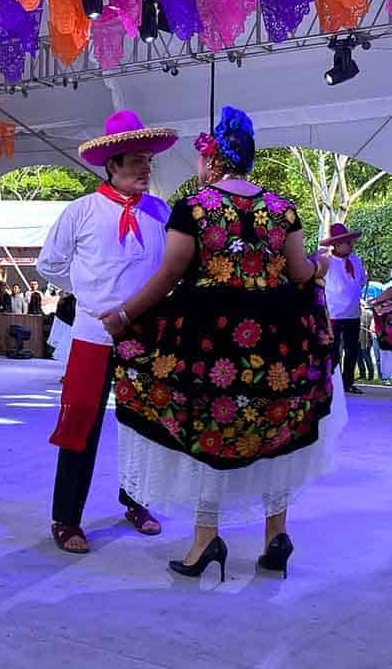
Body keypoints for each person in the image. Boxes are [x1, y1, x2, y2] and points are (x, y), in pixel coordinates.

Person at [102, 107, 345, 582]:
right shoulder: (282, 208)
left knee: (209, 431)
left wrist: (125, 316)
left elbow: (170, 274)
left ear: (213, 160)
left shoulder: (194, 208)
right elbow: (298, 273)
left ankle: (204, 541)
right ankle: (277, 536)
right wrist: (320, 265)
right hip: (278, 341)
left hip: (211, 343)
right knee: (278, 430)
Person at [38, 109, 177, 554]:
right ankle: (66, 518)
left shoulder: (161, 212)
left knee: (145, 423)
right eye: (135, 160)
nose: (145, 167)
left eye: (148, 160)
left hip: (146, 336)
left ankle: (137, 502)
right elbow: (49, 265)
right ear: (111, 165)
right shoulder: (81, 211)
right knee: (80, 421)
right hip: (92, 335)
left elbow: (172, 269)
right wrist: (88, 294)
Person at [321, 223, 368, 395]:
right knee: (333, 351)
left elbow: (361, 281)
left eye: (350, 242)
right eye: (346, 242)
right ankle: (332, 384)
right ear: (337, 245)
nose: (350, 245)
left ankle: (348, 382)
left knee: (352, 350)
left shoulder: (356, 260)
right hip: (333, 314)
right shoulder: (327, 262)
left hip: (353, 313)